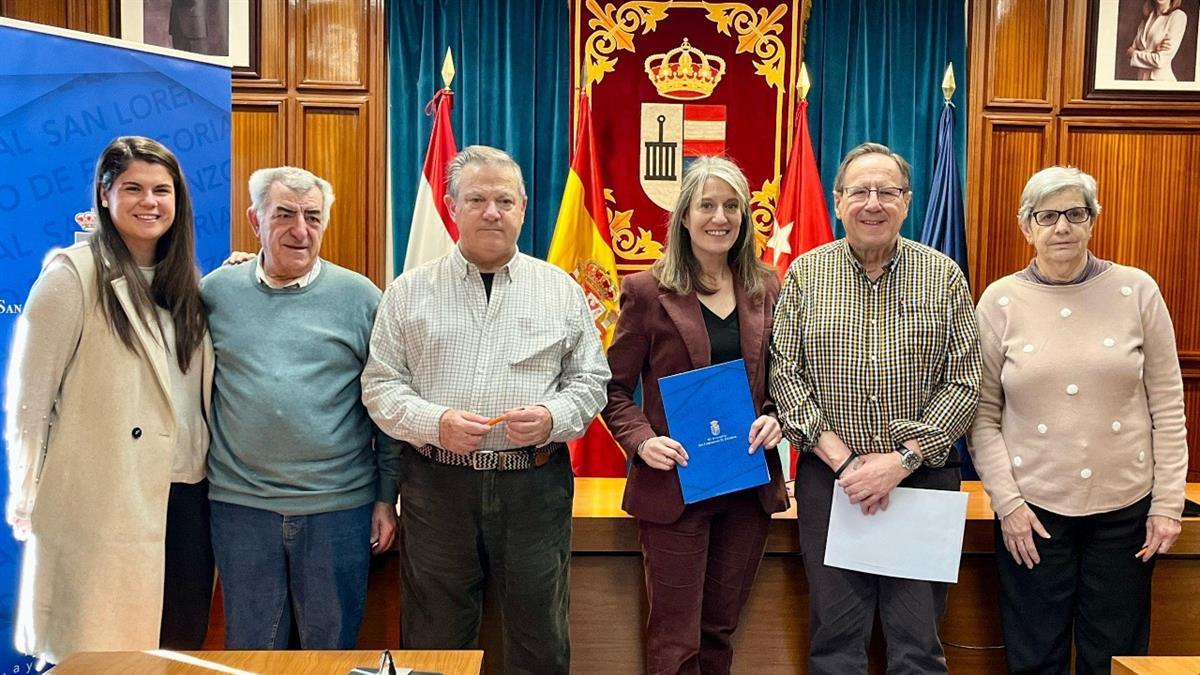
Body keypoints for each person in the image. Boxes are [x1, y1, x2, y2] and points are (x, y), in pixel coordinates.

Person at [361, 145, 609, 675]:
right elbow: (379, 386)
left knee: (539, 636)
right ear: (451, 206)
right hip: (435, 484)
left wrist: (551, 418)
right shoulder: (408, 292)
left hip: (534, 487)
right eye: (476, 199)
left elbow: (591, 383)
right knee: (433, 637)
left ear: (523, 208)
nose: (491, 211)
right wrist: (436, 424)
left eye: (504, 200)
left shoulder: (560, 290)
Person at [768, 142, 981, 674]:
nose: (872, 203)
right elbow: (784, 375)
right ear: (838, 201)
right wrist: (846, 464)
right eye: (859, 191)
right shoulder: (804, 275)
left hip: (921, 479)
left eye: (887, 191)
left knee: (918, 645)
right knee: (836, 642)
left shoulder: (945, 275)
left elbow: (965, 382)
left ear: (907, 202)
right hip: (832, 480)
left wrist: (899, 462)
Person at [969, 166, 1187, 674]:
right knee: (1035, 657)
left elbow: (1168, 408)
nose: (1061, 227)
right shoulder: (1000, 300)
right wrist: (1008, 504)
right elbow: (982, 416)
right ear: (1027, 227)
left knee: (1114, 657)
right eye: (1047, 216)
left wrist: (1168, 504)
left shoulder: (1137, 290)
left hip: (1126, 509)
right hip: (1033, 514)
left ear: (1092, 221)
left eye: (1074, 213)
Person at [4, 136, 213, 663]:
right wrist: (27, 493)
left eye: (162, 190)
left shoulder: (188, 283)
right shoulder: (71, 276)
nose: (150, 202)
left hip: (187, 500)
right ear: (104, 194)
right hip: (107, 498)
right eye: (133, 188)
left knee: (176, 649)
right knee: (103, 654)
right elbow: (29, 402)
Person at [601, 156, 788, 675]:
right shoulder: (646, 292)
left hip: (746, 485)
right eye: (707, 205)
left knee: (719, 631)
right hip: (675, 485)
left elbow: (783, 380)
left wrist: (777, 416)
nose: (720, 217)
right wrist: (641, 441)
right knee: (675, 637)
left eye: (732, 206)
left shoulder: (767, 288)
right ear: (684, 216)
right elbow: (611, 388)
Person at [202, 166, 400, 649]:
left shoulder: (360, 298)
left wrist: (385, 496)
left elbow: (388, 405)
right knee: (252, 650)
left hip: (339, 508)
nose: (300, 230)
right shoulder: (214, 294)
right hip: (241, 507)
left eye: (313, 217)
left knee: (330, 651)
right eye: (284, 214)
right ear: (255, 221)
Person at [1127, 0, 1188, 81]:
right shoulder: (1147, 17)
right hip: (1141, 82)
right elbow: (1128, 54)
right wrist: (1153, 52)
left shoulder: (1178, 16)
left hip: (1162, 83)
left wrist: (1134, 54)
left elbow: (1160, 61)